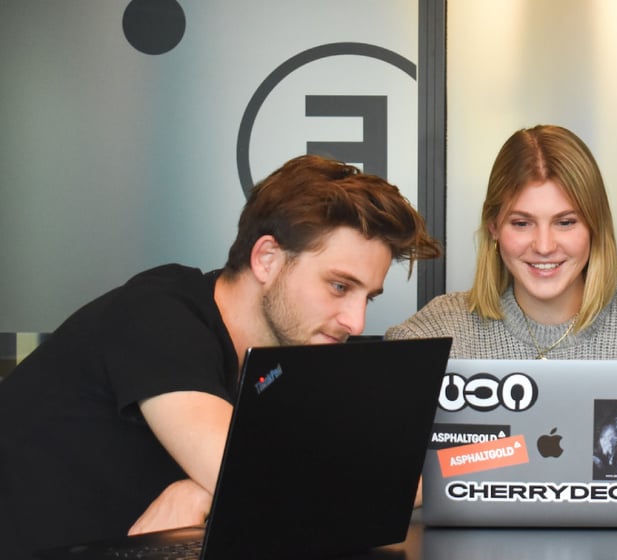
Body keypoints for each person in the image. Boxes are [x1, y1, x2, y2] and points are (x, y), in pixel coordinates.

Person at [0, 154, 441, 559]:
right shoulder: (155, 317)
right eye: (340, 287)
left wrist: (202, 491)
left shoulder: (288, 358)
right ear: (267, 258)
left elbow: (391, 486)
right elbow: (285, 497)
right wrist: (226, 487)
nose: (356, 322)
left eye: (369, 297)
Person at [387, 124, 617, 494]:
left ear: (594, 227)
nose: (545, 245)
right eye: (522, 223)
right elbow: (372, 454)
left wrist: (544, 466)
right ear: (493, 228)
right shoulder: (436, 331)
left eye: (565, 222)